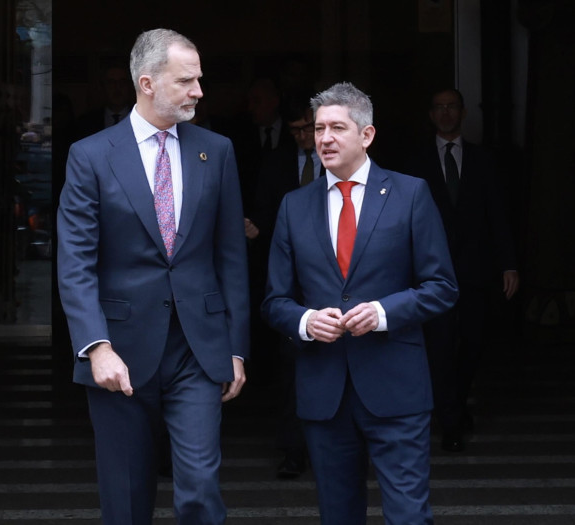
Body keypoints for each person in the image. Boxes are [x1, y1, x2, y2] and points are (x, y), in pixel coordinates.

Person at [57, 28, 249, 525]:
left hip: (199, 349)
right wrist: (95, 346)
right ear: (147, 83)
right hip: (118, 350)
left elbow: (230, 256)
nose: (199, 91)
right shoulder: (91, 155)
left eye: (199, 79)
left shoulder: (217, 150)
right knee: (125, 498)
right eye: (186, 80)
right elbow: (75, 260)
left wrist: (237, 346)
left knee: (201, 488)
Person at [262, 82, 458, 524]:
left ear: (366, 135)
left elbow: (442, 285)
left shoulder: (411, 194)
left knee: (408, 515)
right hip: (324, 390)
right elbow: (274, 300)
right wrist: (307, 320)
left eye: (336, 128)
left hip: (396, 387)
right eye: (318, 129)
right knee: (338, 514)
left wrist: (385, 312)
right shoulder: (293, 206)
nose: (324, 138)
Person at [412, 88, 519, 453]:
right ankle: (451, 421)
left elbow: (498, 213)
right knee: (439, 346)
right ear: (430, 114)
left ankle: (453, 405)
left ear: (463, 112)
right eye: (438, 107)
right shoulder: (416, 161)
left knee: (472, 344)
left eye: (451, 106)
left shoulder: (483, 159)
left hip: (476, 270)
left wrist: (508, 263)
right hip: (431, 271)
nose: (445, 113)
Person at [249, 95, 320, 478]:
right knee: (291, 370)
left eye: (309, 128)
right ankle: (293, 450)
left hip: (338, 279)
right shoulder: (276, 163)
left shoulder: (338, 160)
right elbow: (263, 212)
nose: (304, 137)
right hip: (290, 282)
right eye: (295, 131)